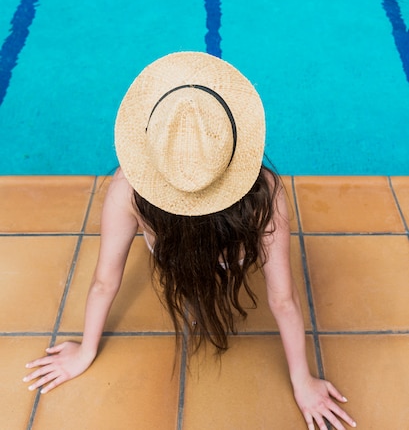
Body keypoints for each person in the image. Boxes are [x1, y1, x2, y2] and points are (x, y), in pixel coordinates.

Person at [24, 51, 356, 430]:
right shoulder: (266, 193)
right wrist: (303, 381)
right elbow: (282, 299)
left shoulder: (126, 190)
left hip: (169, 248)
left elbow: (104, 282)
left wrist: (85, 351)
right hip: (233, 252)